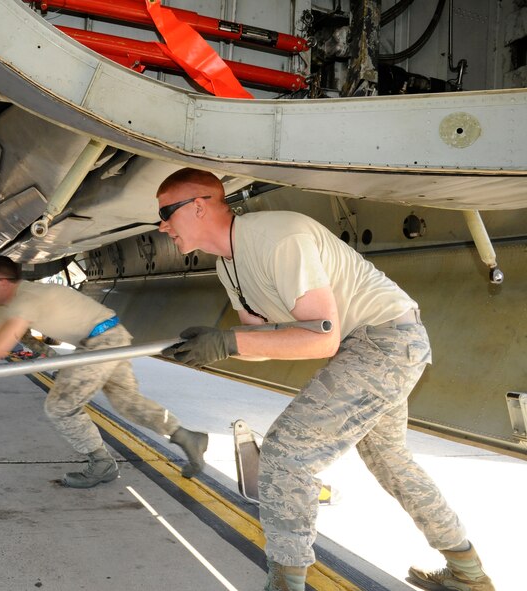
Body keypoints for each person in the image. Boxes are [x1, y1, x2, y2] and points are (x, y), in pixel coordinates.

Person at [155, 168, 493, 591]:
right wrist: (214, 347)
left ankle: (287, 584)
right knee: (390, 462)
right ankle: (468, 572)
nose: (162, 225)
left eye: (167, 212)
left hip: (383, 340)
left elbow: (323, 337)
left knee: (286, 455)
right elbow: (264, 341)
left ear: (199, 205)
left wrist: (228, 344)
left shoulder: (278, 237)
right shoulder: (229, 266)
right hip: (375, 346)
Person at [0, 255, 209, 488]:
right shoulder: (14, 302)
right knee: (126, 401)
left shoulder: (26, 299)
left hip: (101, 342)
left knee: (60, 407)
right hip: (108, 335)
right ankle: (185, 436)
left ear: (5, 281)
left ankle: (101, 463)